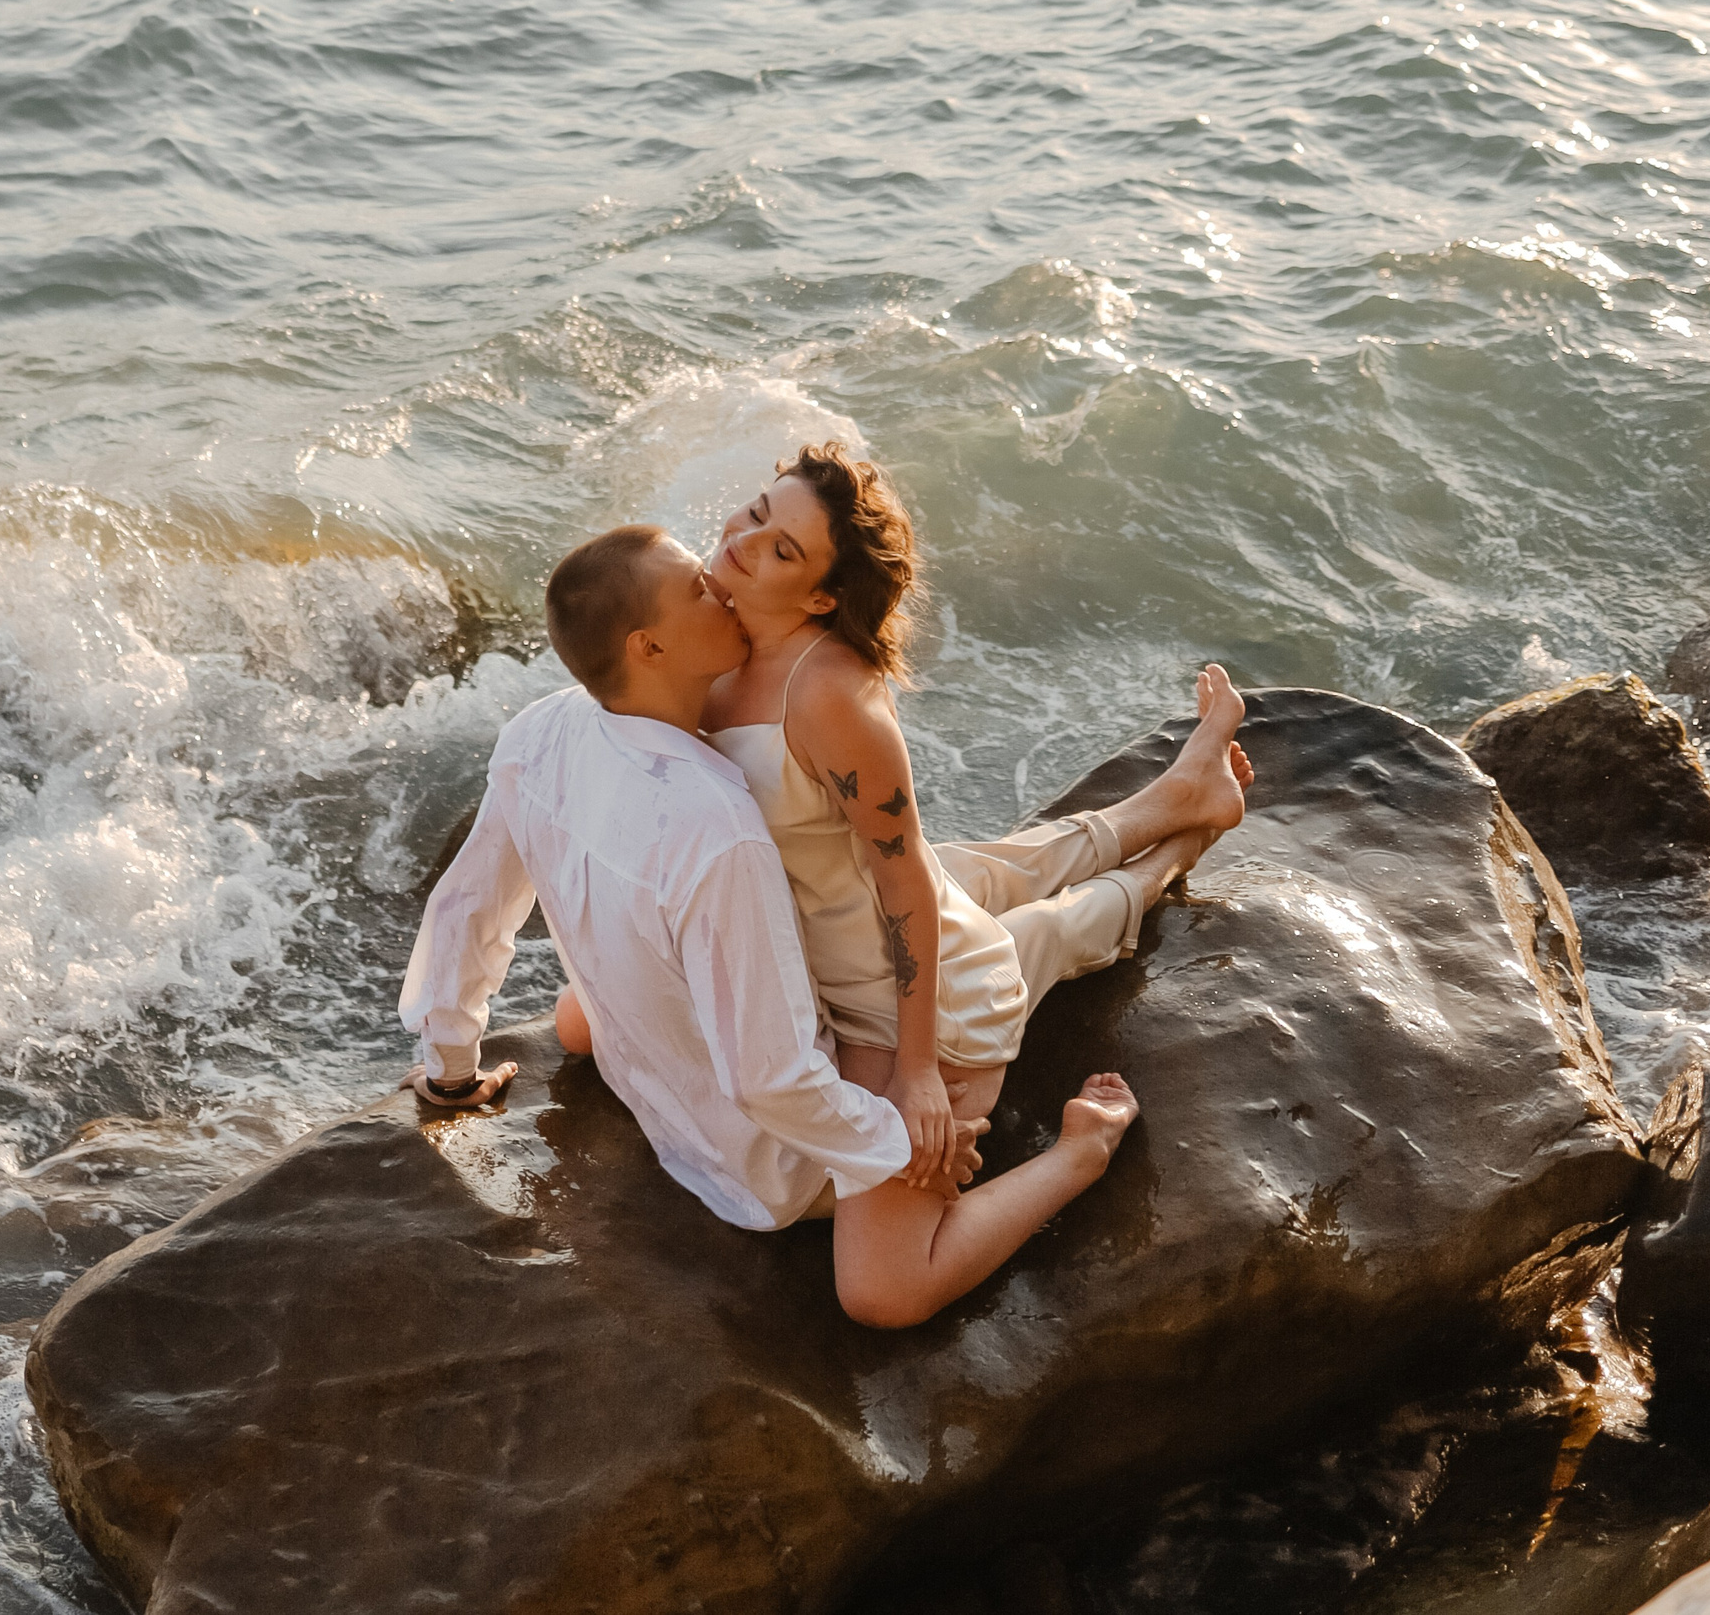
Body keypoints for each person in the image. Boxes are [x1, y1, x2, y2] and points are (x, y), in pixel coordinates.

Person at [398, 522, 1152, 1328]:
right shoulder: (716, 830)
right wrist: (901, 1148)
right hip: (762, 1164)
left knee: (929, 888)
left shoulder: (540, 731)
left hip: (660, 1075)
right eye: (695, 587)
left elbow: (468, 907)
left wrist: (449, 1067)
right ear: (650, 649)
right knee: (885, 1294)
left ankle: (1159, 820)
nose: (719, 583)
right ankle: (1085, 1149)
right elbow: (773, 1079)